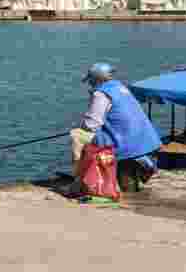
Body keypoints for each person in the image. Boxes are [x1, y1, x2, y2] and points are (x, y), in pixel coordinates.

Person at [68, 63, 161, 194]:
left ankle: (78, 179)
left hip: (126, 144)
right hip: (147, 140)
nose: (90, 84)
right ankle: (142, 166)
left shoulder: (101, 94)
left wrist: (81, 126)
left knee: (76, 135)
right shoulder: (120, 87)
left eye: (91, 80)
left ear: (96, 79)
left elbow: (91, 124)